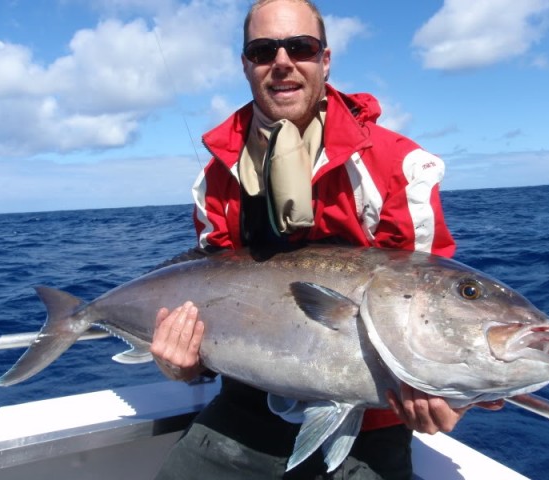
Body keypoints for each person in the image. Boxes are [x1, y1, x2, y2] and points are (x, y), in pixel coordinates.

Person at [151, 1, 503, 478]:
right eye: (262, 50)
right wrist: (185, 364)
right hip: (245, 407)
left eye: (300, 47)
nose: (282, 62)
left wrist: (452, 390)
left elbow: (429, 293)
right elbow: (211, 289)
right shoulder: (217, 177)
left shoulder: (398, 167)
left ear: (325, 59)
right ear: (245, 65)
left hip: (371, 422)